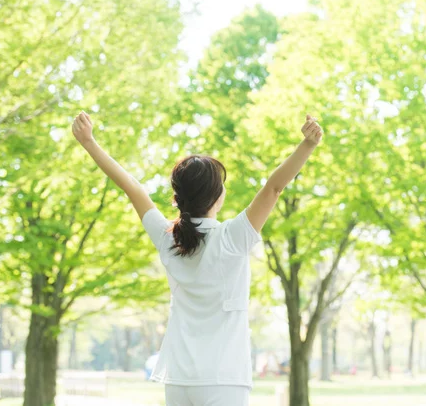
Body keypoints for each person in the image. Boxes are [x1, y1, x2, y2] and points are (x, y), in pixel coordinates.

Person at [72, 111, 322, 406]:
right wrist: (307, 145)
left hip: (179, 378)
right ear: (218, 197)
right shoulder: (231, 238)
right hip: (223, 378)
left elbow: (132, 187)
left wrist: (89, 143)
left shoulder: (169, 238)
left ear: (177, 199)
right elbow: (273, 188)